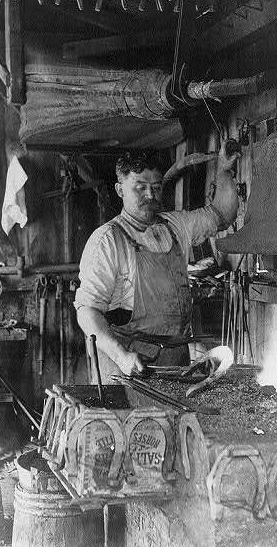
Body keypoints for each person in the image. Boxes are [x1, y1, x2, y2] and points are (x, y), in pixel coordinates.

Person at [74, 142, 239, 384]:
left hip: (174, 363)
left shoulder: (174, 226)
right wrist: (122, 357)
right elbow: (87, 312)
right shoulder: (107, 241)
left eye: (156, 187)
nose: (150, 195)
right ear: (120, 190)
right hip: (127, 369)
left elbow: (223, 215)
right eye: (140, 188)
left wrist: (223, 170)